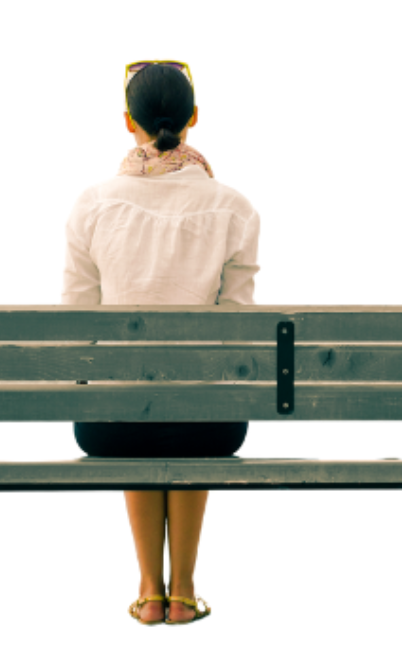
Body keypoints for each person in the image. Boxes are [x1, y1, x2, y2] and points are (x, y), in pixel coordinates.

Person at [61, 61, 261, 626]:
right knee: (195, 396)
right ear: (194, 118)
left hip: (111, 422)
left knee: (128, 396)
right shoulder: (235, 208)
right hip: (213, 422)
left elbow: (77, 320)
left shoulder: (92, 206)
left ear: (129, 122)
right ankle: (186, 589)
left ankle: (150, 589)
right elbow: (238, 326)